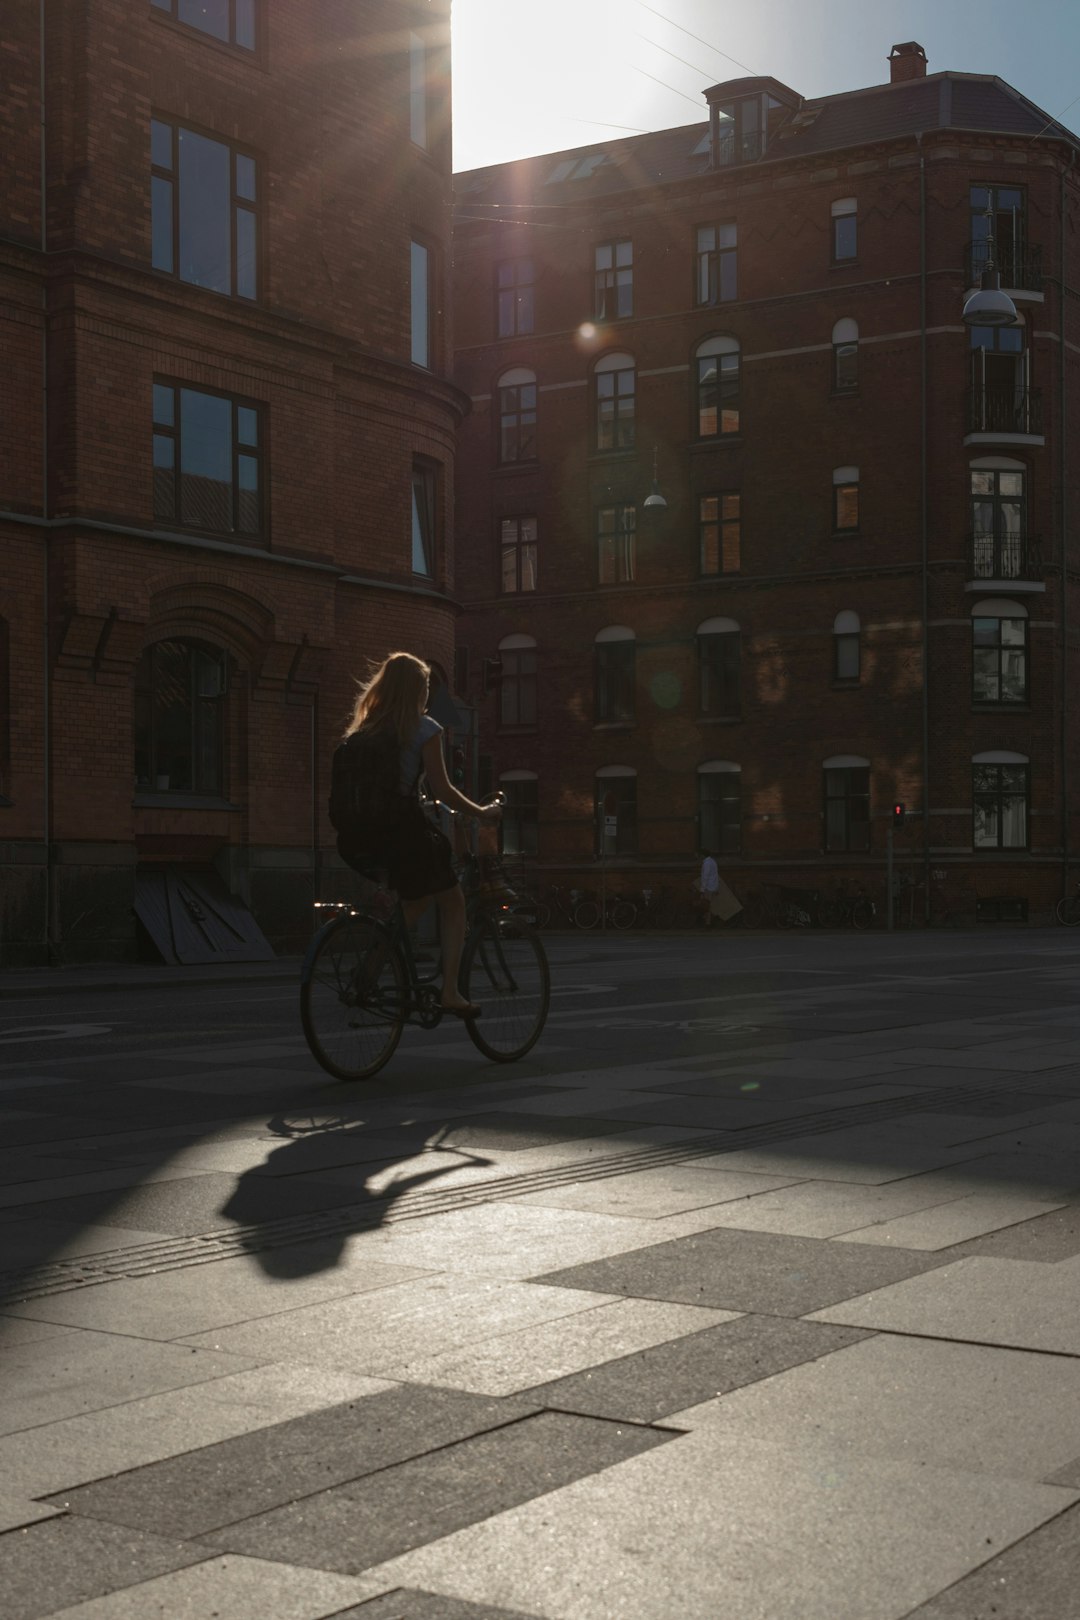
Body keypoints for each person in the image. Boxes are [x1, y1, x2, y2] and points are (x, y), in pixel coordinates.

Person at [337, 651, 502, 1017]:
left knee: (416, 900)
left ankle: (372, 966)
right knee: (454, 900)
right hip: (403, 832)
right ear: (417, 690)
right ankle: (450, 993)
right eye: (426, 686)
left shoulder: (365, 728)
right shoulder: (423, 728)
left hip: (359, 835)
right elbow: (443, 790)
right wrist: (481, 812)